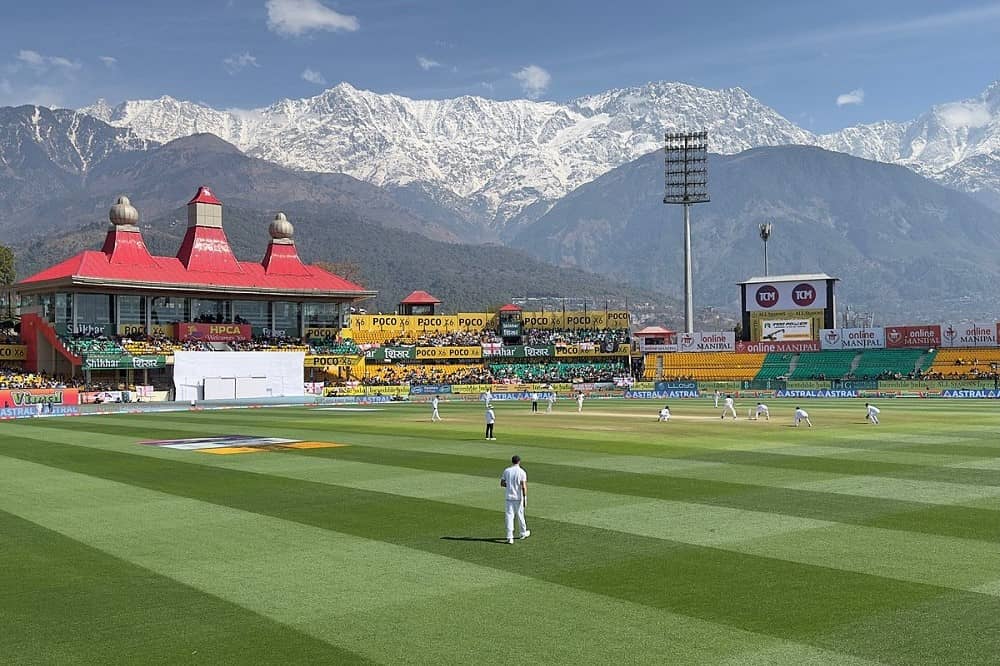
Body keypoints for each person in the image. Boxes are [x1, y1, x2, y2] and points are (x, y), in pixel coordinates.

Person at [500, 454, 529, 544]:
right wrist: (525, 498)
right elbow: (523, 486)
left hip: (509, 497)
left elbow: (502, 483)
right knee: (520, 515)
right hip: (518, 497)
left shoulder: (507, 471)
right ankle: (523, 532)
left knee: (509, 516)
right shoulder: (522, 472)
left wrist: (509, 486)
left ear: (512, 461)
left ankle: (509, 537)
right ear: (519, 461)